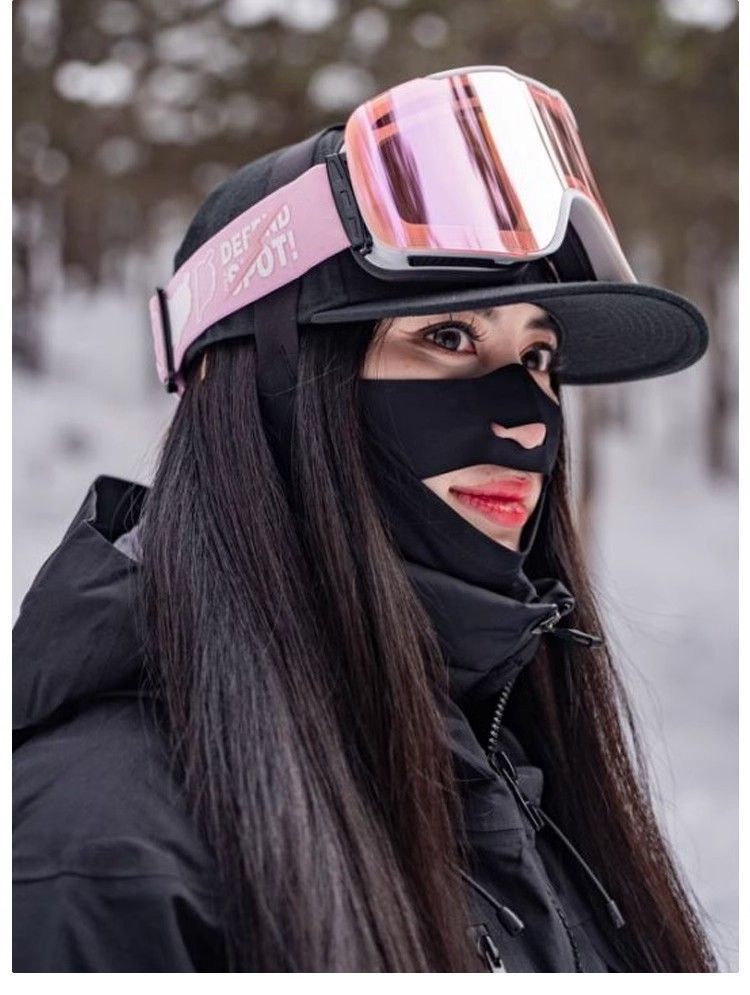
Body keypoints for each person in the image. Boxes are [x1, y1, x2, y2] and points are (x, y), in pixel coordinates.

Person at [13, 67, 718, 972]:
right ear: (268, 389)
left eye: (539, 355)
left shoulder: (509, 762)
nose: (530, 422)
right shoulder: (102, 853)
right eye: (449, 336)